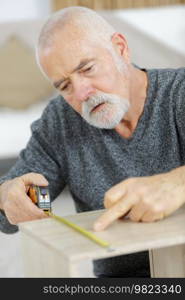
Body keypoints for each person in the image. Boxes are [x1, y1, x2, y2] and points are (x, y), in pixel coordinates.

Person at [0, 6, 185, 278]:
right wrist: (7, 195)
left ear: (121, 48)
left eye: (87, 68)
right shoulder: (60, 122)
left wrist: (177, 181)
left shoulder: (179, 94)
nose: (82, 93)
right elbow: (20, 193)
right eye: (64, 86)